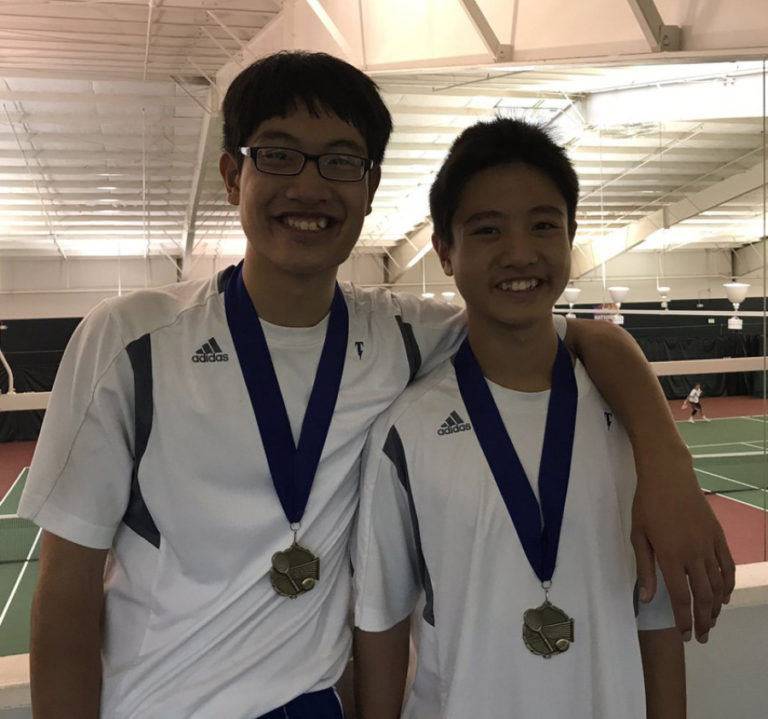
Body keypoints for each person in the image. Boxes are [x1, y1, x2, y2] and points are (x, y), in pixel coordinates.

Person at [18, 51, 727, 719]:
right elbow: (67, 590)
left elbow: (573, 330)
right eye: (278, 154)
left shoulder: (402, 335)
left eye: (340, 161)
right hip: (164, 702)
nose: (309, 185)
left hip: (318, 699)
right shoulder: (130, 342)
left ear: (369, 187)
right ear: (235, 177)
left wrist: (667, 464)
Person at [353, 118, 686, 719]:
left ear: (571, 236)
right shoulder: (405, 433)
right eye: (487, 231)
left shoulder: (629, 420)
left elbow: (654, 617)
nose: (520, 253)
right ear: (447, 254)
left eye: (543, 225)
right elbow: (381, 624)